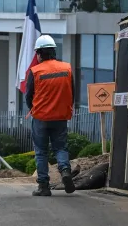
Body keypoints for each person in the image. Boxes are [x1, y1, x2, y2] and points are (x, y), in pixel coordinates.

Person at [25, 35, 75, 196]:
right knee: (60, 147)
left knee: (41, 152)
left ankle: (44, 186)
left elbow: (28, 95)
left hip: (40, 117)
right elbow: (72, 92)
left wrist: (33, 109)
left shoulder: (35, 71)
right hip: (60, 117)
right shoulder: (66, 68)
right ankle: (65, 170)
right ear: (54, 51)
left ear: (39, 54)